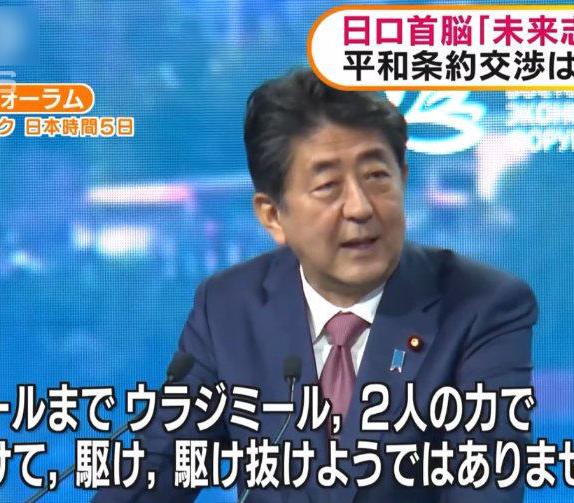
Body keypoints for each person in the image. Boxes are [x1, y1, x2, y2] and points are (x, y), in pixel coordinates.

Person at [93, 68, 538, 503]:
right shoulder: (230, 307)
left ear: (403, 178)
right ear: (273, 216)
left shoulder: (482, 306)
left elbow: (486, 484)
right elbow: (155, 468)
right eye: (328, 186)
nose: (360, 208)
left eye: (377, 176)